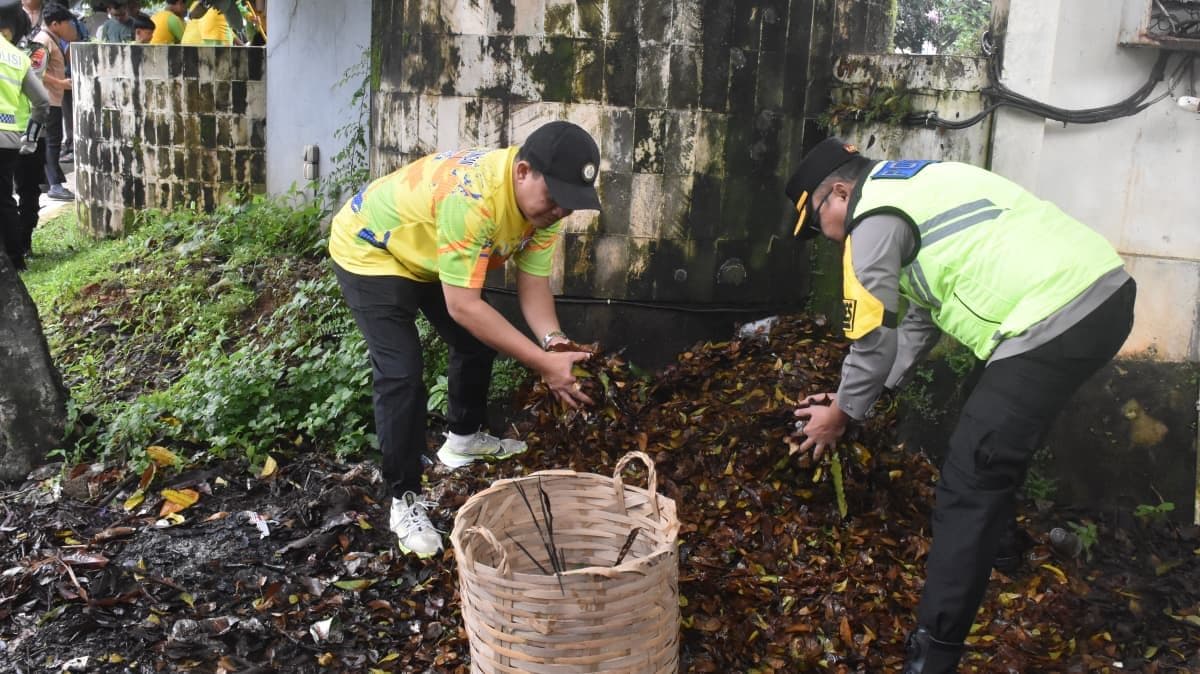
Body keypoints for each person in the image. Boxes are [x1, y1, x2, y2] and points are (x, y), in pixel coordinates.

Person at [783, 138, 1135, 673]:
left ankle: (934, 656)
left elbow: (872, 336)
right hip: (1098, 293)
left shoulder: (870, 218)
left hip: (1054, 313)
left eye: (817, 221)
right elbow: (917, 320)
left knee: (970, 481)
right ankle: (1001, 549)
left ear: (839, 191)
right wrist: (866, 395)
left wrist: (843, 415)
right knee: (984, 439)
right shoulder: (911, 185)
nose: (823, 236)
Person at [328, 121, 600, 558]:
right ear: (523, 171)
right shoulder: (473, 199)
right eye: (555, 199)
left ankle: (463, 438)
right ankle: (403, 500)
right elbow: (464, 307)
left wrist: (555, 343)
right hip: (371, 247)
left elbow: (533, 286)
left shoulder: (544, 210)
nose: (560, 212)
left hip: (429, 254)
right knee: (401, 373)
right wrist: (542, 365)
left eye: (570, 205)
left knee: (476, 342)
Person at [0, 0, 49, 270]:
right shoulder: (18, 56)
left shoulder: (35, 51)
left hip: (27, 135)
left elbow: (37, 77)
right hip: (12, 134)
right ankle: (14, 255)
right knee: (7, 197)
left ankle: (23, 244)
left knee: (27, 192)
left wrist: (31, 136)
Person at [33, 4, 73, 200]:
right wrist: (61, 83)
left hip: (52, 99)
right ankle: (55, 186)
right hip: (48, 100)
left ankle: (47, 182)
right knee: (52, 142)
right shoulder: (42, 40)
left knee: (48, 142)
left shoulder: (51, 39)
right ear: (55, 24)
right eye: (67, 24)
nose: (70, 28)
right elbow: (34, 71)